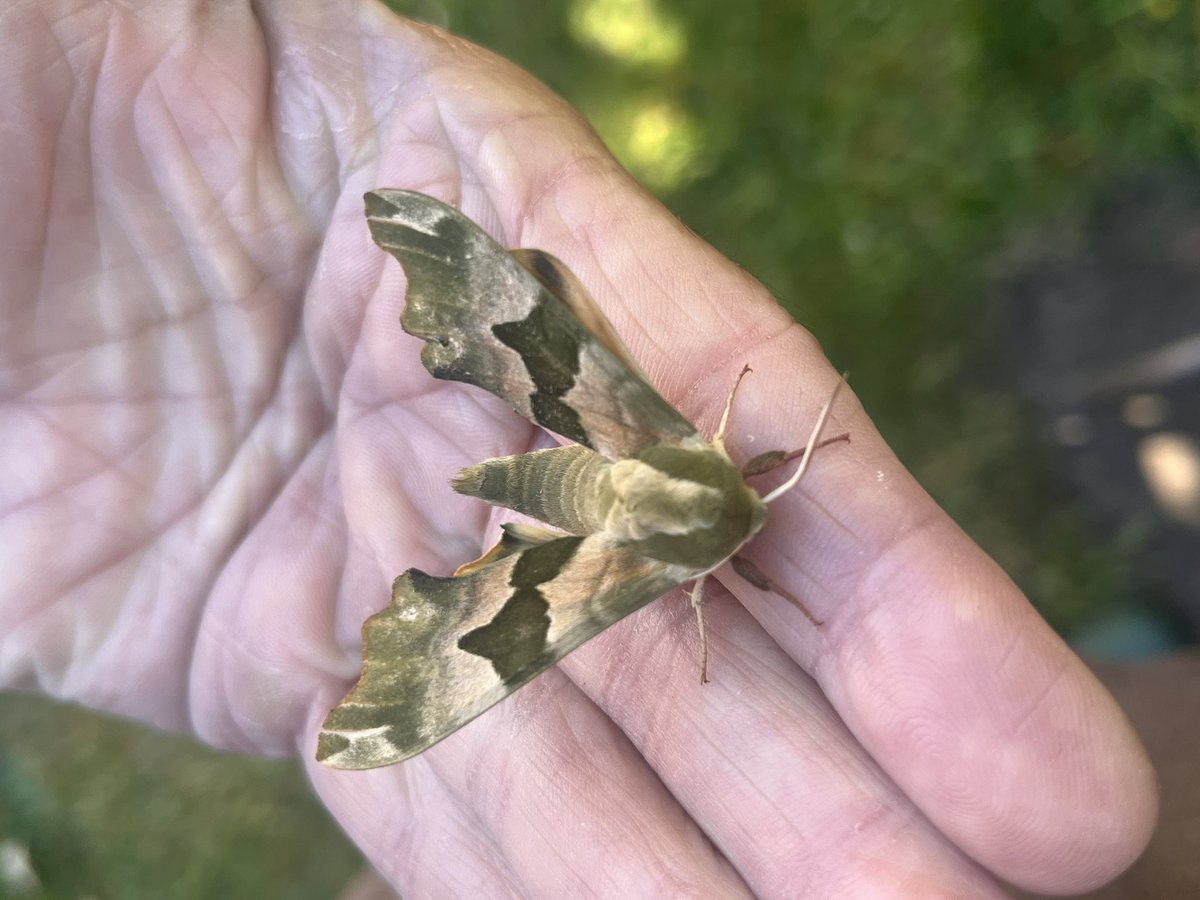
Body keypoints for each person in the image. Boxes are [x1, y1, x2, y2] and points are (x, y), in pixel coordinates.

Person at [1, 3, 1156, 896]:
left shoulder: (675, 456)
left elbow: (750, 478)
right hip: (579, 500)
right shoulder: (676, 562)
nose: (755, 501)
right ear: (714, 479)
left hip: (596, 450)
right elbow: (746, 548)